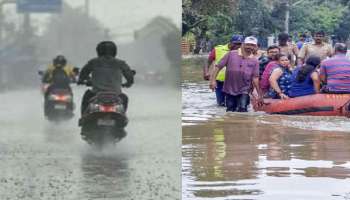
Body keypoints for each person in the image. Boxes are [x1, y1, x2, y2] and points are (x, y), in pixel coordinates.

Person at [78, 41, 135, 115]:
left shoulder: (93, 62)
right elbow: (130, 77)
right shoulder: (121, 63)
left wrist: (84, 80)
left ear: (99, 51)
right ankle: (122, 116)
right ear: (114, 51)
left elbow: (83, 73)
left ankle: (83, 118)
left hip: (95, 94)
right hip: (116, 95)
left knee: (87, 96)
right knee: (125, 98)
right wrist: (128, 83)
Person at [209, 36, 263, 112]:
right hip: (229, 89)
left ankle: (242, 123)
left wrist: (259, 94)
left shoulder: (255, 61)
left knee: (242, 108)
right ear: (243, 44)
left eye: (253, 45)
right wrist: (213, 81)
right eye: (248, 44)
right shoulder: (231, 54)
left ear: (256, 47)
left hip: (245, 89)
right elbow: (218, 67)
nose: (250, 47)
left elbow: (255, 78)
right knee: (230, 109)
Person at [203, 34, 244, 106]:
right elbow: (207, 61)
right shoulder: (218, 49)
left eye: (240, 44)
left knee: (235, 104)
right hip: (220, 81)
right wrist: (206, 73)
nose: (238, 46)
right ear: (230, 43)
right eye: (236, 44)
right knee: (221, 104)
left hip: (235, 82)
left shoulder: (242, 52)